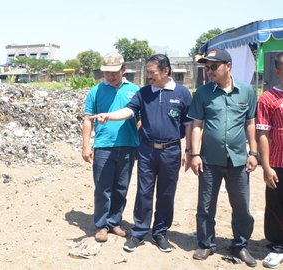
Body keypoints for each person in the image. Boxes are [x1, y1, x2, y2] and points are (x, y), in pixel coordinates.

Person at [91, 54, 192, 252]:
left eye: (152, 72)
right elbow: (129, 111)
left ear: (166, 71)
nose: (149, 76)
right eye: (147, 72)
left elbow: (189, 123)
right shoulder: (144, 93)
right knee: (144, 192)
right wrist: (110, 116)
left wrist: (189, 150)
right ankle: (139, 232)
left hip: (171, 151)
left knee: (166, 193)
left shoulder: (182, 93)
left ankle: (160, 233)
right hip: (146, 150)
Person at [188, 49, 258, 267]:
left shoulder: (246, 91)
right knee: (206, 205)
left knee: (241, 207)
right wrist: (195, 154)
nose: (209, 71)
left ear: (228, 66)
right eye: (206, 67)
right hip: (209, 159)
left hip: (238, 159)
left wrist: (253, 152)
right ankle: (206, 244)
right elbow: (197, 125)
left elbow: (250, 124)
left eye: (213, 67)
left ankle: (240, 245)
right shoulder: (202, 94)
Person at [81, 52, 140, 243]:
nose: (110, 76)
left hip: (128, 147)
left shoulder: (134, 90)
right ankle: (101, 225)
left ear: (124, 70)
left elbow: (140, 119)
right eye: (107, 72)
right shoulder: (95, 91)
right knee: (102, 188)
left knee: (121, 187)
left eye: (114, 72)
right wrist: (86, 146)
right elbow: (87, 120)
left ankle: (115, 222)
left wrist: (136, 138)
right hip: (104, 147)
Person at [256, 52, 283, 269]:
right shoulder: (267, 98)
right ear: (277, 71)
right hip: (277, 162)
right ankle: (277, 246)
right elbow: (263, 134)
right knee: (276, 204)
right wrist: (266, 166)